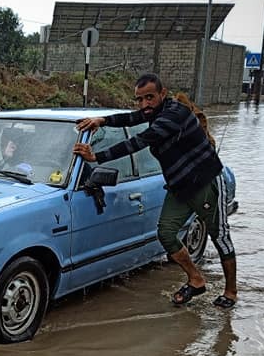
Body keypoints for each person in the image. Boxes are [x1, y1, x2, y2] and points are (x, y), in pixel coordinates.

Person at [73, 73, 237, 308]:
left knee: (219, 236)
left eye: (149, 97)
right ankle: (196, 279)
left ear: (163, 94)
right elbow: (131, 118)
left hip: (206, 183)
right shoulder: (153, 112)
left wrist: (97, 157)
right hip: (179, 188)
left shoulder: (174, 114)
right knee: (166, 233)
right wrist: (102, 121)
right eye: (139, 99)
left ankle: (230, 292)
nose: (144, 104)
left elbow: (139, 141)